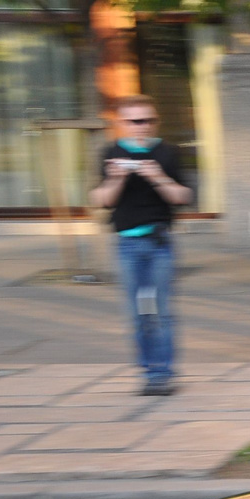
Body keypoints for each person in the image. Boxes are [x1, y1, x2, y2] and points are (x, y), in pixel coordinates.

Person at [89, 94, 192, 396]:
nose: (142, 126)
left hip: (160, 243)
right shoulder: (111, 152)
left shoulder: (168, 153)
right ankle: (148, 372)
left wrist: (157, 177)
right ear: (121, 123)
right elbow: (101, 201)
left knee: (161, 311)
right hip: (127, 245)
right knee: (137, 313)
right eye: (135, 121)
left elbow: (183, 197)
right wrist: (116, 179)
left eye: (148, 120)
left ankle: (163, 374)